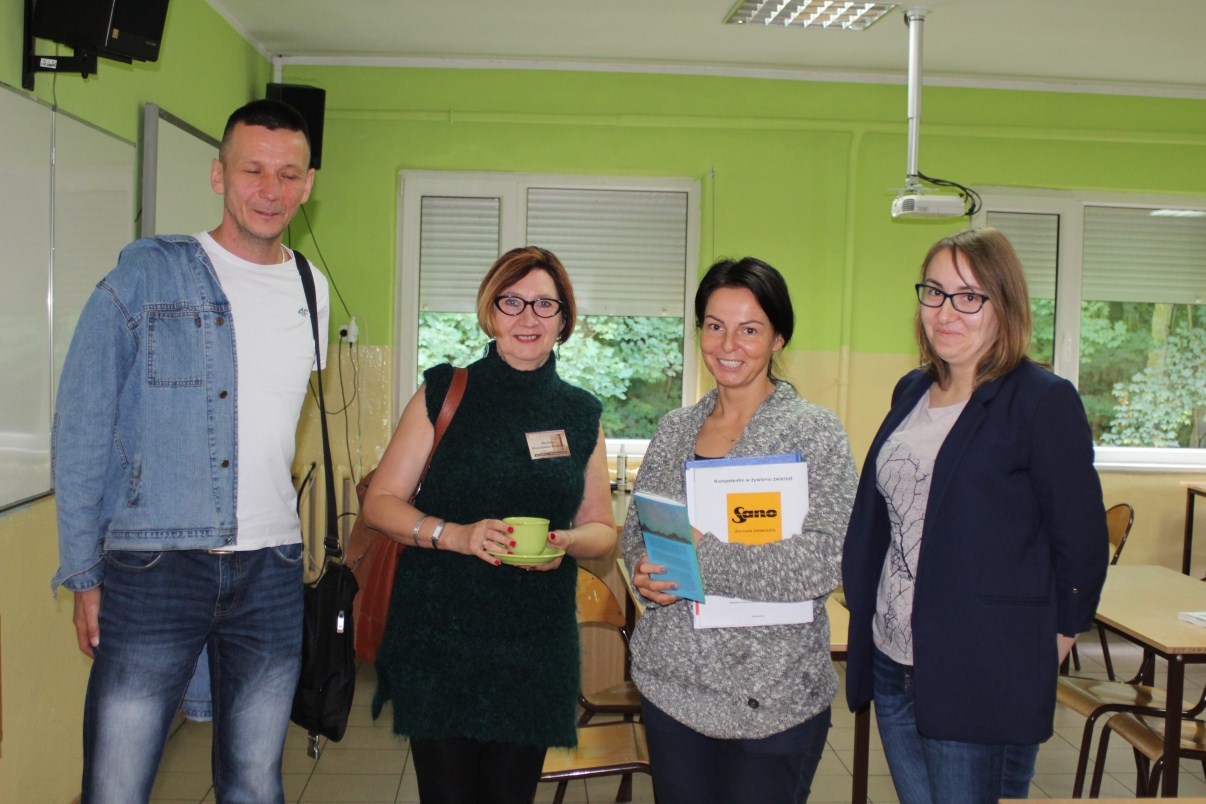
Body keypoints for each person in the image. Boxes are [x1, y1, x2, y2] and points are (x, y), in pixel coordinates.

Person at [51, 99, 326, 802]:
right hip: (156, 564)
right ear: (218, 174)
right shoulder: (147, 276)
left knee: (255, 781)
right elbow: (81, 427)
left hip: (271, 566)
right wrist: (84, 574)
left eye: (288, 174)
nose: (270, 189)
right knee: (116, 784)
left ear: (308, 184)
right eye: (253, 170)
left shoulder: (311, 288)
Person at [841, 227, 1109, 804]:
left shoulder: (1040, 400)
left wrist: (1051, 644)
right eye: (934, 292)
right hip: (894, 655)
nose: (946, 312)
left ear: (1003, 304)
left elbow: (1082, 540)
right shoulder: (911, 391)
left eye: (969, 296)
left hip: (981, 668)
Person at [361, 246, 616, 804]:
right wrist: (456, 535)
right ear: (490, 311)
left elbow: (601, 528)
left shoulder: (581, 413)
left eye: (545, 304)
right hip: (439, 638)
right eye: (512, 301)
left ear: (564, 320)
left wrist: (567, 542)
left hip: (534, 647)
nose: (528, 317)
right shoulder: (444, 392)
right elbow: (380, 502)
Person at [622, 257, 858, 804]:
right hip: (674, 691)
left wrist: (703, 558)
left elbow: (826, 558)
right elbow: (640, 532)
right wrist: (646, 575)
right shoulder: (674, 430)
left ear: (778, 337)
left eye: (750, 329)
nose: (728, 345)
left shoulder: (814, 432)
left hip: (776, 698)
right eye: (714, 325)